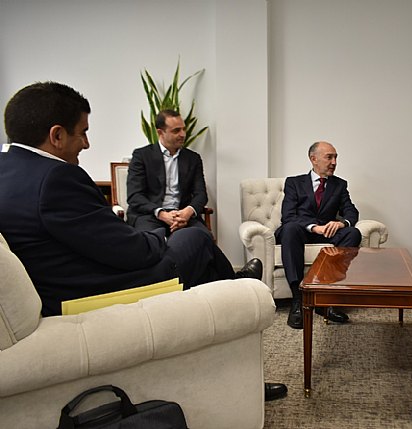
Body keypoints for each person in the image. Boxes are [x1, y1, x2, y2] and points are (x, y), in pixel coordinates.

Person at [0, 81, 286, 402]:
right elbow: (133, 249)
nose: (87, 143)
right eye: (82, 132)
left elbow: (97, 234)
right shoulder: (56, 178)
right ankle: (236, 300)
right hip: (93, 292)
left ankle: (229, 285)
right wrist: (159, 235)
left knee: (193, 237)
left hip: (64, 283)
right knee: (196, 239)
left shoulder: (8, 171)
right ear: (56, 135)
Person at [275, 141, 362, 329]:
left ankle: (325, 299)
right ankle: (298, 299)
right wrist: (314, 227)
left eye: (336, 157)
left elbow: (351, 212)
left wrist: (341, 223)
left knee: (353, 233)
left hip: (327, 233)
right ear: (313, 159)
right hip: (301, 231)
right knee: (289, 229)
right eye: (329, 157)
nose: (334, 162)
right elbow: (288, 216)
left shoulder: (339, 185)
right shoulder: (294, 183)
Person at [126, 109, 209, 235]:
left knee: (203, 239)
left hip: (183, 216)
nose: (182, 134)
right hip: (151, 215)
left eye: (183, 129)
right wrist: (161, 213)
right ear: (160, 132)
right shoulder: (142, 156)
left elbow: (201, 194)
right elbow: (135, 196)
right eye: (176, 130)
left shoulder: (193, 159)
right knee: (149, 242)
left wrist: (187, 212)